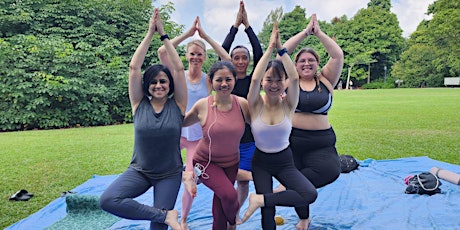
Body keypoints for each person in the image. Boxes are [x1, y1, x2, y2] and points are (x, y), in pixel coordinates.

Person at [99, 8, 186, 230]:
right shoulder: (139, 104)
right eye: (154, 82)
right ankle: (165, 215)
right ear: (147, 85)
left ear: (170, 85)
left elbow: (177, 68)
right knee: (108, 200)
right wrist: (149, 33)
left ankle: (164, 218)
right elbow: (134, 68)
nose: (158, 85)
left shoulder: (178, 105)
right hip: (139, 172)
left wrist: (164, 35)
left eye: (163, 81)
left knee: (157, 228)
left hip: (169, 174)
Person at [241, 22, 317, 230]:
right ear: (263, 82)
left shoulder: (289, 104)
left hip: (285, 161)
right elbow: (254, 78)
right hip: (261, 162)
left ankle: (260, 199)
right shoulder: (255, 105)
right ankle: (263, 202)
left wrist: (281, 49)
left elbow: (294, 76)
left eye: (278, 80)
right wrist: (268, 50)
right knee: (268, 213)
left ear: (284, 83)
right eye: (269, 80)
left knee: (308, 194)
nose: (273, 84)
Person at [158, 16, 231, 230]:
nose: (195, 58)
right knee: (163, 174)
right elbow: (163, 52)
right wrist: (189, 34)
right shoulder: (176, 75)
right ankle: (164, 214)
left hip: (196, 139)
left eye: (200, 54)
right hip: (175, 134)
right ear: (186, 55)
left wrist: (205, 36)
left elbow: (226, 59)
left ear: (204, 57)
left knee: (190, 180)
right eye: (192, 54)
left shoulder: (209, 80)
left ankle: (183, 220)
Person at [274, 13, 344, 229]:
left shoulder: (326, 79)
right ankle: (303, 218)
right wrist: (305, 33)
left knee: (331, 170)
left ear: (317, 63)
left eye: (311, 60)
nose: (306, 64)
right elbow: (280, 55)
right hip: (291, 141)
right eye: (302, 61)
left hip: (321, 142)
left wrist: (318, 33)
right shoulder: (288, 80)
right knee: (298, 181)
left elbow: (338, 55)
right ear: (294, 64)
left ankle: (282, 190)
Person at [182, 61, 250, 230]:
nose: (224, 84)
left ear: (234, 80)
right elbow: (181, 122)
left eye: (228, 79)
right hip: (205, 162)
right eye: (219, 80)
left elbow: (259, 124)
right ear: (211, 82)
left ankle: (223, 225)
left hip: (232, 163)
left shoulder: (242, 104)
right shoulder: (203, 105)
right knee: (229, 195)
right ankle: (232, 223)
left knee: (220, 208)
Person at [221, 0, 263, 224]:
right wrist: (235, 26)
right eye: (235, 57)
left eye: (243, 58)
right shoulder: (225, 79)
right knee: (227, 180)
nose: (239, 60)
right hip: (227, 140)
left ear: (248, 62)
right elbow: (222, 52)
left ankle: (233, 214)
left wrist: (248, 26)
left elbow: (259, 51)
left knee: (243, 182)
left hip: (249, 140)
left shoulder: (255, 80)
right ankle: (226, 210)